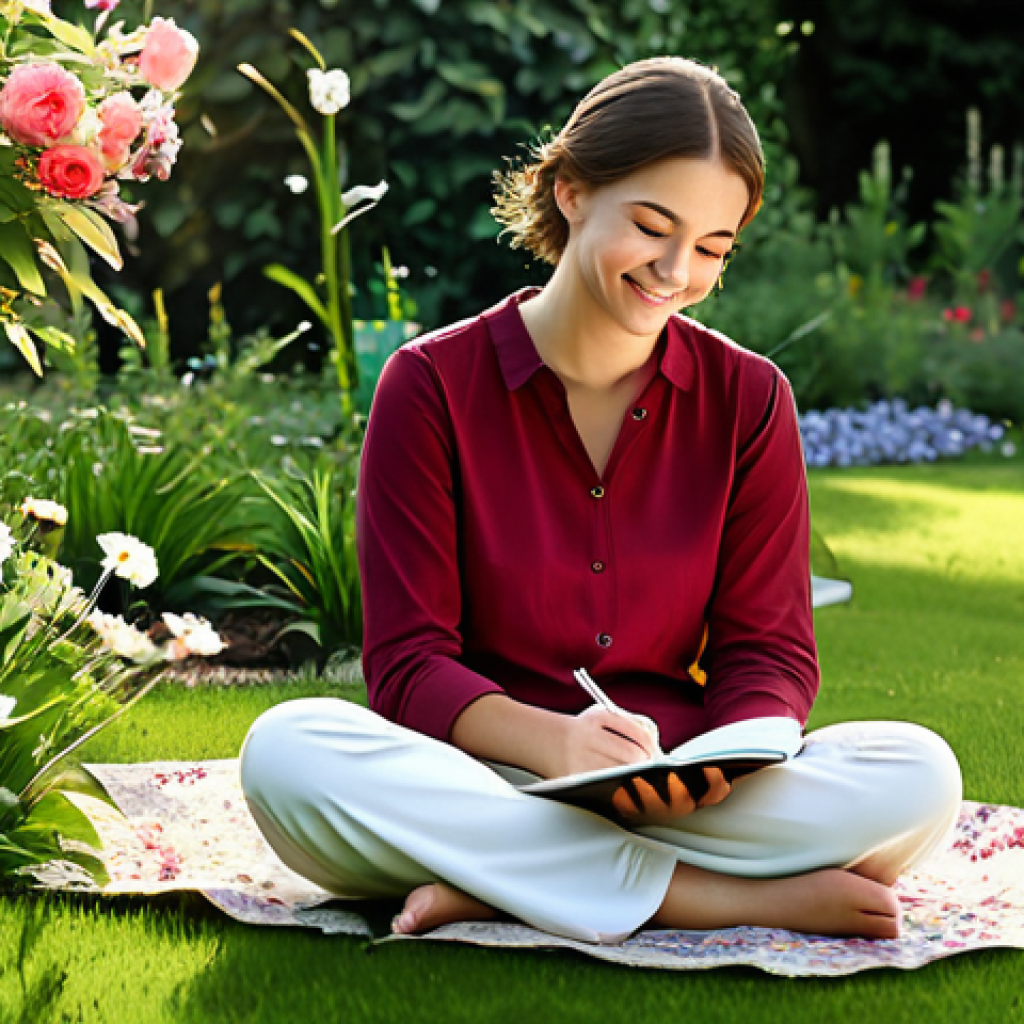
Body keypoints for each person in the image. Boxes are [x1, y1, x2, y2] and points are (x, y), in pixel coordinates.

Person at [239, 56, 962, 945]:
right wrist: (555, 745)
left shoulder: (750, 399)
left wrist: (725, 758)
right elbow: (407, 663)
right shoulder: (428, 385)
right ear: (573, 192)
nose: (674, 271)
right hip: (483, 776)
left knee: (919, 776)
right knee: (291, 752)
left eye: (711, 249)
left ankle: (503, 881)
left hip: (682, 795)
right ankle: (706, 898)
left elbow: (769, 650)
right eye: (653, 227)